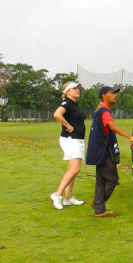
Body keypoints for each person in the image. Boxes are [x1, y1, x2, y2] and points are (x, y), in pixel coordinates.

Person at [86, 86, 133, 218]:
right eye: (112, 93)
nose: (115, 95)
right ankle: (98, 204)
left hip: (98, 150)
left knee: (100, 180)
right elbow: (112, 126)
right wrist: (130, 136)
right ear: (104, 95)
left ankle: (99, 210)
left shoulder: (100, 109)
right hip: (103, 151)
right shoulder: (104, 111)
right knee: (113, 179)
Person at [51, 81, 86, 210]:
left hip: (77, 140)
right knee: (75, 169)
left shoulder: (74, 104)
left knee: (73, 170)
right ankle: (57, 195)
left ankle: (68, 198)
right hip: (71, 139)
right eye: (74, 88)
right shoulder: (66, 103)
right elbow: (57, 114)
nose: (77, 90)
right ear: (67, 92)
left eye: (78, 88)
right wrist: (67, 125)